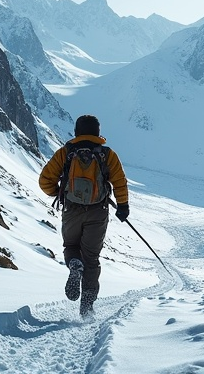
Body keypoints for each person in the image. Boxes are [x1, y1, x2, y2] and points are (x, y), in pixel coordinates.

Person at [39, 115, 129, 317]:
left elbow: (45, 180)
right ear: (98, 132)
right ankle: (87, 306)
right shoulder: (108, 155)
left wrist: (60, 193)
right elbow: (120, 182)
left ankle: (74, 265)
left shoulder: (66, 153)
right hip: (98, 212)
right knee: (92, 258)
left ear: (76, 132)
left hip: (72, 210)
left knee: (71, 247)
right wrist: (123, 206)